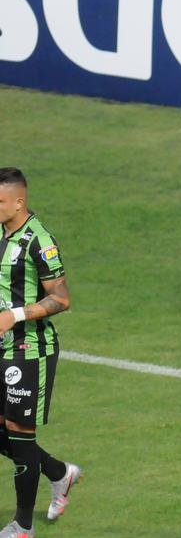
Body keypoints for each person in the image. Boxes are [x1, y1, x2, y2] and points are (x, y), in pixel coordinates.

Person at [0, 169, 81, 538]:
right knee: (13, 437)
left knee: (20, 434)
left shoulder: (39, 240)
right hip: (1, 346)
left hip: (28, 350)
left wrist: (14, 315)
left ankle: (23, 525)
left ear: (19, 201)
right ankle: (59, 473)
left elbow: (61, 298)